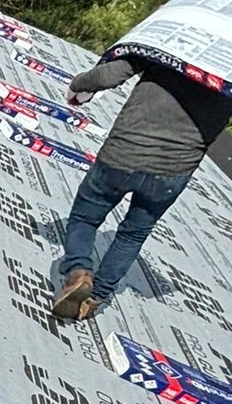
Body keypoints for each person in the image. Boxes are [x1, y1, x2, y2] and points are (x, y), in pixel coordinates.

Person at [51, 45, 232, 321]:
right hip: (173, 172)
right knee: (133, 234)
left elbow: (108, 76)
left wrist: (78, 85)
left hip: (123, 153)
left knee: (85, 218)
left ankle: (78, 271)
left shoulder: (173, 42)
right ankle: (95, 298)